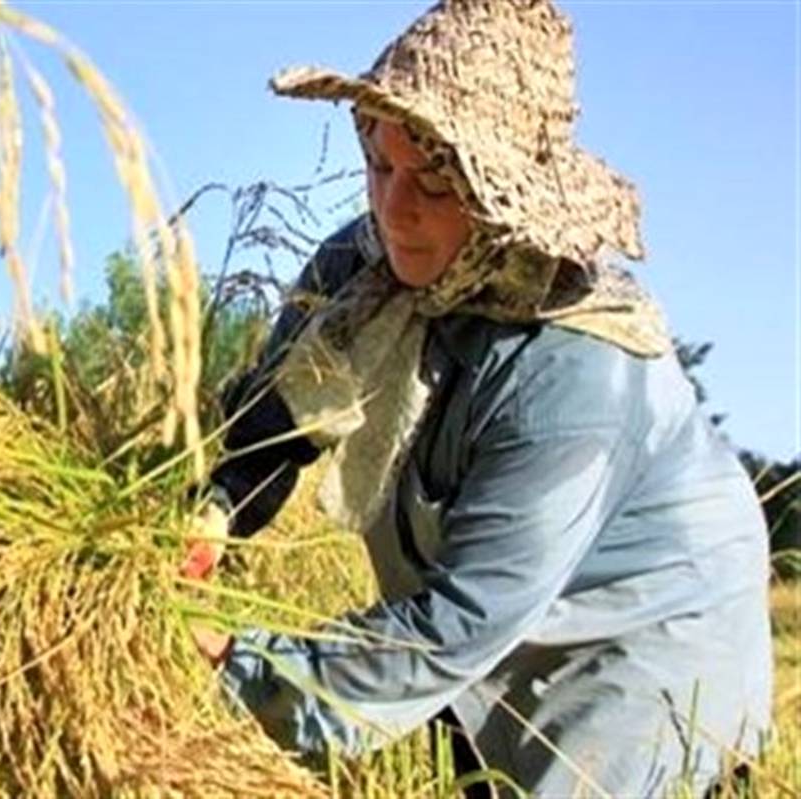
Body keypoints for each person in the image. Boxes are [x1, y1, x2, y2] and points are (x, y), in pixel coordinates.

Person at [180, 1, 773, 796]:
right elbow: (277, 423)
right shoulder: (358, 276)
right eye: (381, 167)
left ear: (500, 194)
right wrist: (210, 513)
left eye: (432, 181)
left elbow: (459, 623)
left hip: (648, 628)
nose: (394, 211)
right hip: (494, 597)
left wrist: (241, 665)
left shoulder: (576, 372)